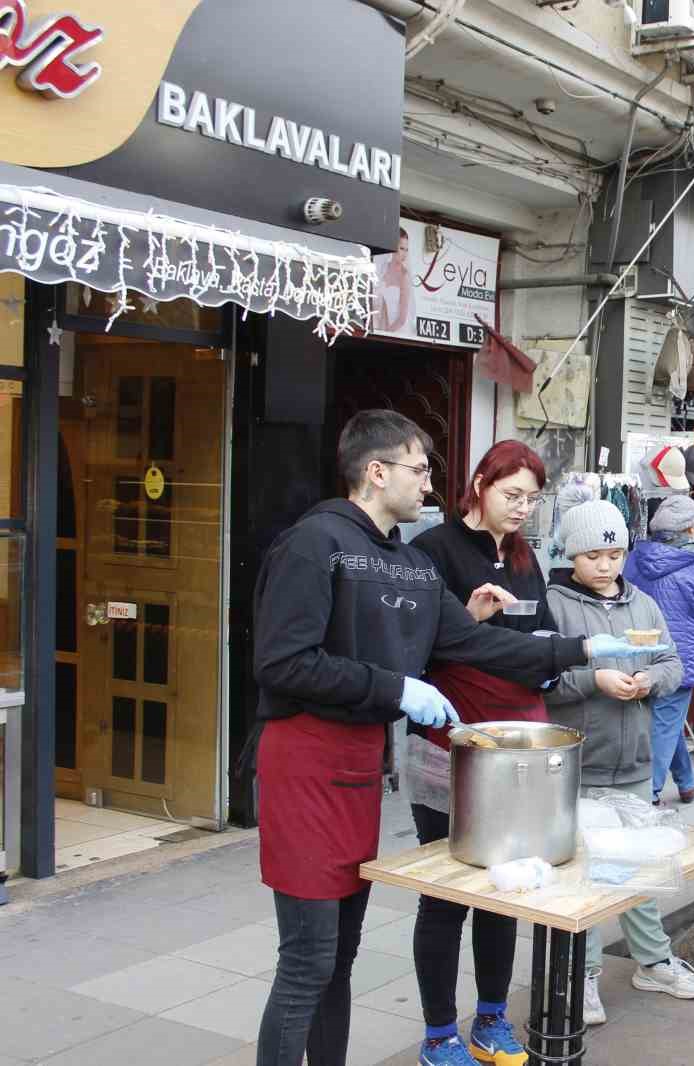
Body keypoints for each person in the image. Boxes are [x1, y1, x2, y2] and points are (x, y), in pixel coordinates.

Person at [251, 411, 659, 1066]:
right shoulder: (315, 544)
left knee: (341, 959)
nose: (430, 481)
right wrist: (396, 690)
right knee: (308, 959)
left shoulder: (408, 564)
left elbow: (478, 644)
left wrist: (582, 646)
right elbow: (281, 662)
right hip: (303, 764)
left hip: (357, 771)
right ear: (376, 471)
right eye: (419, 468)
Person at [404, 441, 557, 1066]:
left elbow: (540, 636)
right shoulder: (432, 552)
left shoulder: (525, 558)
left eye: (531, 499)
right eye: (511, 494)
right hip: (451, 741)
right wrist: (466, 619)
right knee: (445, 891)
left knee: (505, 886)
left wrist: (551, 664)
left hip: (517, 741)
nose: (521, 509)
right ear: (479, 485)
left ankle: (491, 1018)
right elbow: (411, 649)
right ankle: (439, 1032)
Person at [541, 499, 694, 1024]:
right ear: (573, 555)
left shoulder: (642, 602)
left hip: (635, 760)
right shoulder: (554, 604)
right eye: (593, 554)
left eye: (614, 553)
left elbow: (672, 661)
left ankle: (653, 961)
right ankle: (583, 975)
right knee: (590, 875)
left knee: (637, 868)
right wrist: (595, 679)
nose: (606, 565)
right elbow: (541, 677)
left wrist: (648, 682)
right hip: (579, 761)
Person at [622, 493, 694, 804]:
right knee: (664, 725)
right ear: (690, 530)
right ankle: (649, 796)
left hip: (637, 651)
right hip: (680, 658)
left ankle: (686, 781)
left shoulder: (634, 557)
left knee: (664, 722)